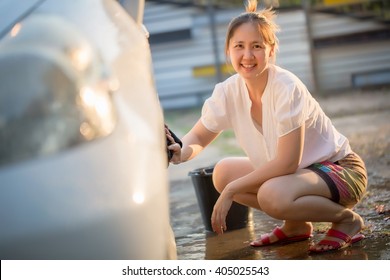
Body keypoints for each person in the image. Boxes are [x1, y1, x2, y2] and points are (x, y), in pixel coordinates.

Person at [166, 0, 367, 253]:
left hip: (340, 172)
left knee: (271, 194)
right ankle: (295, 225)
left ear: (271, 51)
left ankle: (348, 221)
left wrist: (232, 190)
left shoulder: (285, 87)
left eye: (257, 47)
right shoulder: (228, 92)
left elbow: (287, 163)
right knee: (223, 172)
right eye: (239, 46)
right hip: (300, 177)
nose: (247, 56)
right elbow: (200, 134)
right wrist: (181, 151)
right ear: (228, 50)